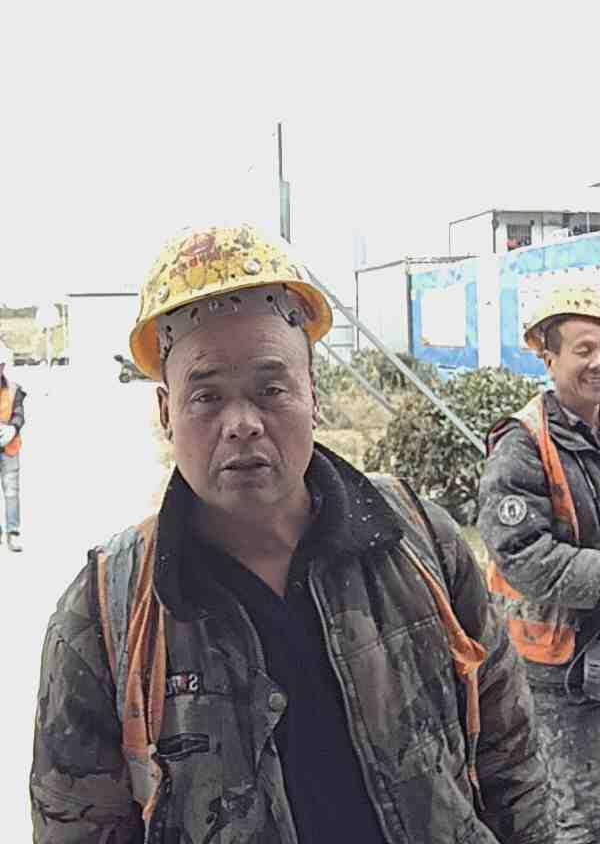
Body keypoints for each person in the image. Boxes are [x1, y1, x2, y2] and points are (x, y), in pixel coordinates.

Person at [31, 224, 553, 843]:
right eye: (207, 397)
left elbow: (511, 762)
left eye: (271, 389)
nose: (242, 423)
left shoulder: (419, 542)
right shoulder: (106, 615)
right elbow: (76, 826)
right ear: (167, 412)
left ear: (313, 395)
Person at [478, 284, 600, 843]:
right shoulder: (523, 443)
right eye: (584, 349)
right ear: (549, 358)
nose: (597, 362)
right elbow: (522, 556)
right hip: (557, 669)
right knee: (577, 815)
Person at [0, 340, 25, 552]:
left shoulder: (14, 389)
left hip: (9, 448)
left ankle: (13, 532)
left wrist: (12, 429)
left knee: (11, 492)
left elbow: (19, 413)